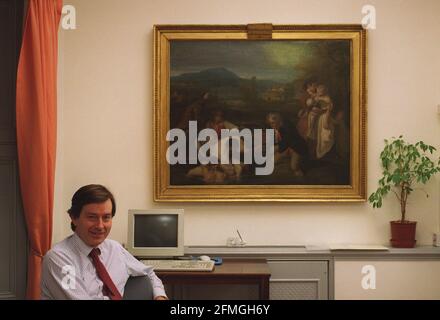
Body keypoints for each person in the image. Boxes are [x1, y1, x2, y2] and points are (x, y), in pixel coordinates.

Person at [41, 184, 167, 300]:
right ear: (74, 218)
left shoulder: (114, 248)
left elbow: (149, 273)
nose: (100, 226)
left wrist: (160, 296)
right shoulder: (60, 259)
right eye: (92, 217)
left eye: (106, 217)